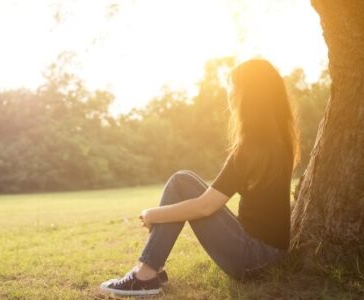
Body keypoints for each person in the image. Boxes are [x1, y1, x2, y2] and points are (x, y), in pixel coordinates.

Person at [100, 58, 300, 297]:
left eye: (233, 89)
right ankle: (152, 269)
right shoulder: (282, 141)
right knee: (182, 181)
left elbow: (205, 206)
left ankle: (146, 273)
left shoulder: (250, 149)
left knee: (180, 182)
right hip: (271, 256)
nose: (230, 96)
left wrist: (151, 214)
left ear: (248, 97)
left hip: (252, 257)